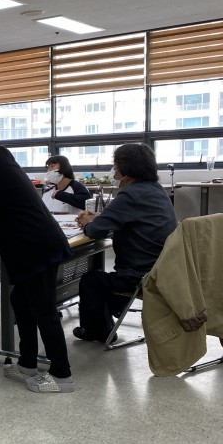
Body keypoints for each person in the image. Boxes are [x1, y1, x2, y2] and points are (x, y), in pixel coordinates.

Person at [0, 120, 75, 394]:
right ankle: (27, 364)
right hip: (36, 243)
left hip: (35, 246)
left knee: (44, 311)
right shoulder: (0, 156)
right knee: (21, 301)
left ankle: (62, 375)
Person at [74, 143, 177, 343]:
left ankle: (98, 331)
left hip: (140, 275)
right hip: (163, 269)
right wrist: (98, 219)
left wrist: (88, 222)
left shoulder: (131, 194)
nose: (113, 171)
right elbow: (124, 218)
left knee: (91, 280)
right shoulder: (156, 190)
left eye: (115, 166)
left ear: (126, 169)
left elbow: (95, 231)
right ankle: (114, 307)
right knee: (105, 278)